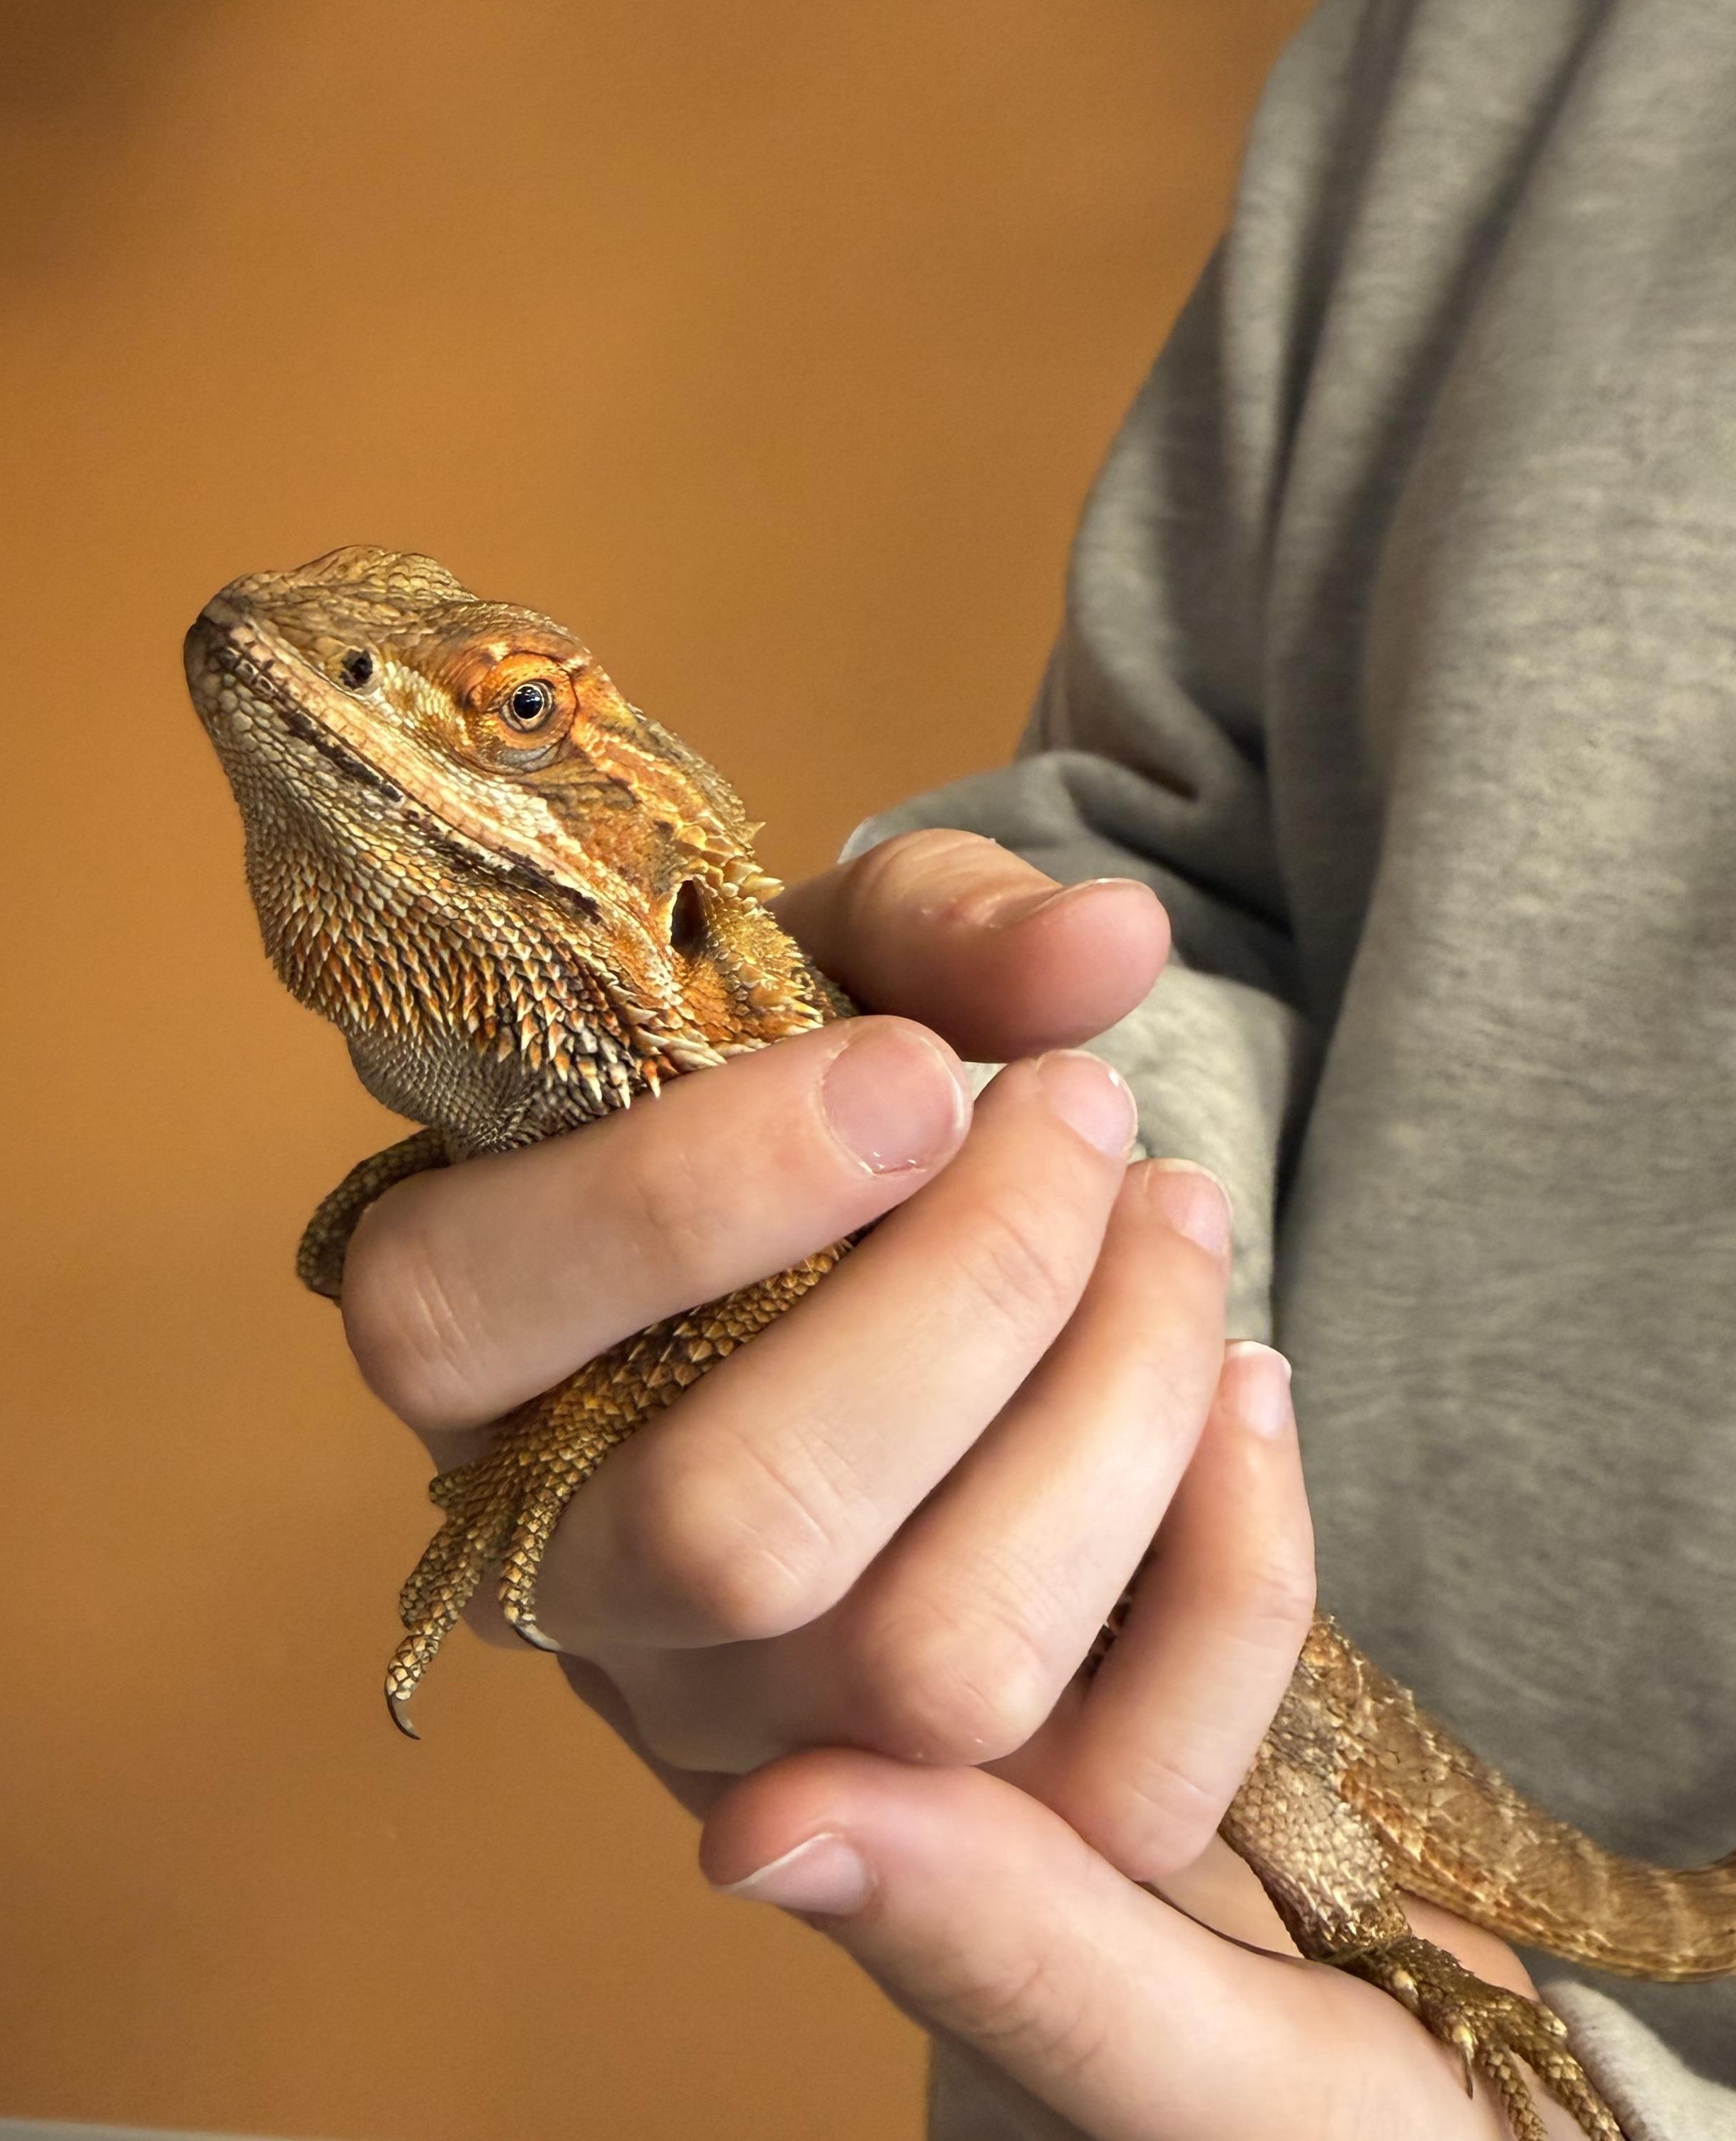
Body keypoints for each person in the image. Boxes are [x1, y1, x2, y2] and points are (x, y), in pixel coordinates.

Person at [331, 0, 1736, 2132]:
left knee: (1310, 1796)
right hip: (1123, 1891)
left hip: (1382, 1897)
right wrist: (1054, 1067)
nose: (376, 694)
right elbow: (1192, 859)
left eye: (509, 714)